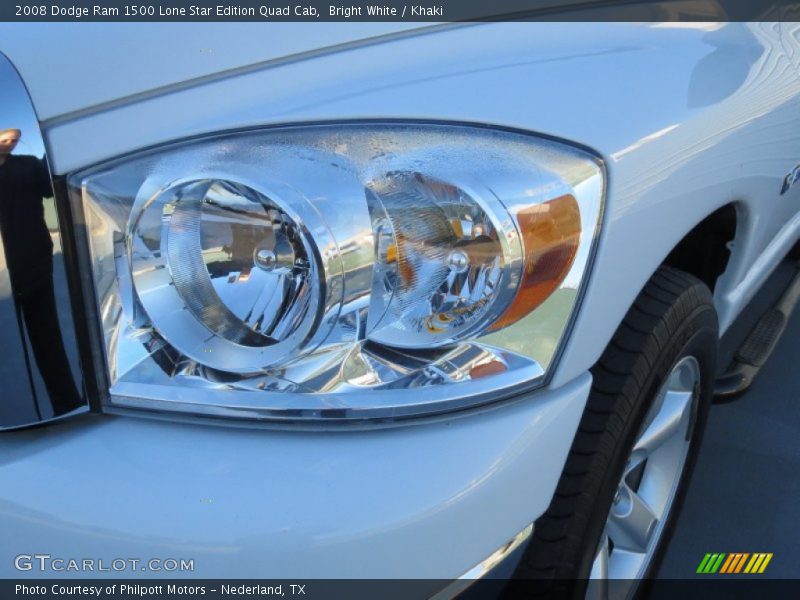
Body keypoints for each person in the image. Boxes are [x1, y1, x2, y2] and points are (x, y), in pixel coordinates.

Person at [0, 127, 82, 416]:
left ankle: (66, 403)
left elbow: (51, 184)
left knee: (47, 337)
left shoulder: (28, 166)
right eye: (3, 137)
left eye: (13, 138)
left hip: (35, 264)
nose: (9, 142)